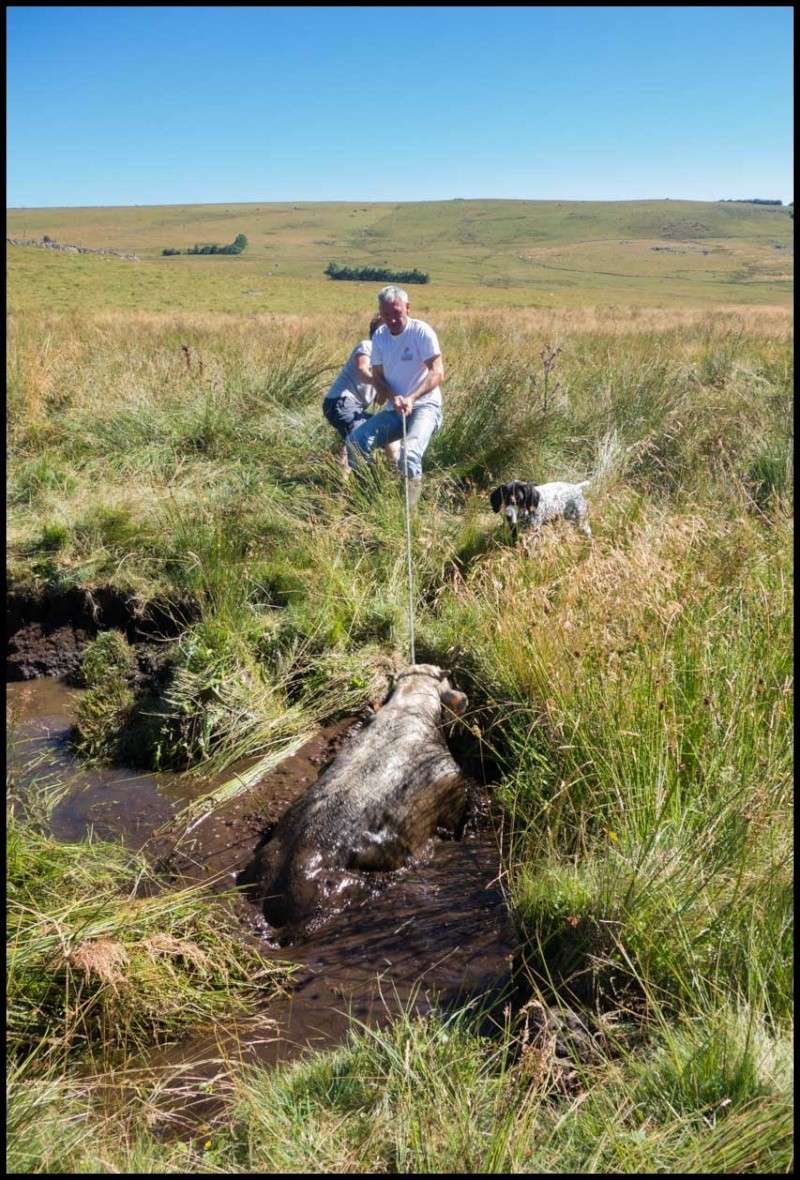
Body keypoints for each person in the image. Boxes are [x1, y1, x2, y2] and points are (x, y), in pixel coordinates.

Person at [346, 286, 444, 505]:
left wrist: (411, 397)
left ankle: (409, 513)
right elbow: (378, 377)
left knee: (408, 454)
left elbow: (438, 373)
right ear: (380, 313)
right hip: (395, 409)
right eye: (386, 315)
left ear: (408, 308)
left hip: (425, 407)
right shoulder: (379, 337)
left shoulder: (421, 332)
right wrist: (394, 397)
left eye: (396, 313)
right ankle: (369, 498)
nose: (391, 320)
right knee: (355, 442)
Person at [322, 314, 386, 472]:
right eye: (382, 329)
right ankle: (364, 481)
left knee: (358, 438)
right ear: (374, 333)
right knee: (360, 439)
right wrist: (379, 382)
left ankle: (342, 482)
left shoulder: (385, 360)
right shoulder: (368, 345)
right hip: (342, 402)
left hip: (354, 407)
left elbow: (379, 400)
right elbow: (362, 368)